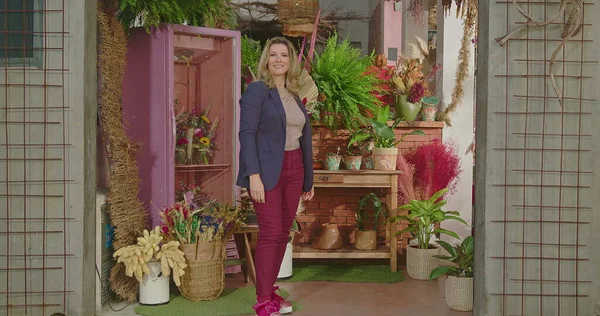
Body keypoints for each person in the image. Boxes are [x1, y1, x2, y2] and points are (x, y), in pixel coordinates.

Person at [236, 37, 315, 316]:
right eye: (273, 55)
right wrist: (253, 176)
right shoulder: (258, 90)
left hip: (295, 169)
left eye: (284, 55)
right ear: (266, 60)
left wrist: (308, 180)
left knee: (283, 233)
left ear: (291, 61)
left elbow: (303, 137)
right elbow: (247, 134)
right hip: (268, 170)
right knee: (270, 233)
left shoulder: (293, 95)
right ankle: (262, 300)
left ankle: (270, 290)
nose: (279, 59)